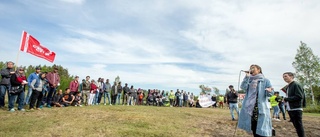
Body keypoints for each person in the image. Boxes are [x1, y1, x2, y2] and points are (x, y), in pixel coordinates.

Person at [238, 64, 274, 137]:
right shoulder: (249, 80)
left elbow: (270, 93)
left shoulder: (265, 80)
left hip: (260, 107)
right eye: (250, 68)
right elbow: (243, 87)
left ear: (259, 70)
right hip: (250, 107)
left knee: (261, 127)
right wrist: (246, 77)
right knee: (253, 126)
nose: (251, 69)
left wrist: (269, 91)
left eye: (253, 68)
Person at [283, 72, 306, 137]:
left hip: (296, 108)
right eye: (283, 77)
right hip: (291, 108)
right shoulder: (288, 86)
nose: (284, 78)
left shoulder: (296, 84)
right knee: (296, 126)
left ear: (291, 76)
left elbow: (299, 96)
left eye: (285, 76)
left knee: (299, 126)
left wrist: (286, 99)